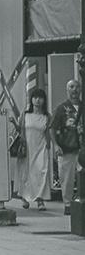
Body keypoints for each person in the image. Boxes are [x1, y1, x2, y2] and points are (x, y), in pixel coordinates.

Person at [18, 88, 53, 211]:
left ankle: (40, 199)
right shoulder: (25, 115)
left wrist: (51, 146)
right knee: (26, 173)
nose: (37, 100)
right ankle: (24, 197)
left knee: (41, 172)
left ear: (44, 100)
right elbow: (19, 129)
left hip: (41, 148)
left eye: (40, 98)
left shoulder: (47, 116)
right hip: (27, 148)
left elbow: (49, 133)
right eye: (35, 97)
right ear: (31, 99)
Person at [52, 80, 80, 215]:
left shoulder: (83, 107)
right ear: (67, 90)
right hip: (66, 147)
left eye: (77, 87)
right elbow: (52, 128)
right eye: (71, 87)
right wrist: (55, 145)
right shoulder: (61, 108)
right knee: (67, 178)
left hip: (81, 148)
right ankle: (68, 203)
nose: (75, 90)